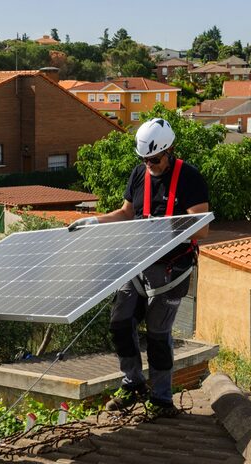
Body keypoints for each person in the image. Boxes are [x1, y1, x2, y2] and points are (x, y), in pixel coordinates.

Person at [69, 118, 210, 418]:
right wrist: (95, 221)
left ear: (169, 150)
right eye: (144, 160)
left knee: (158, 333)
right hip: (138, 263)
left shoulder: (189, 178)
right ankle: (133, 383)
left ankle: (161, 399)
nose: (150, 165)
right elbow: (126, 212)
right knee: (120, 321)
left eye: (155, 160)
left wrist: (159, 229)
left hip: (172, 269)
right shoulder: (139, 174)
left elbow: (201, 229)